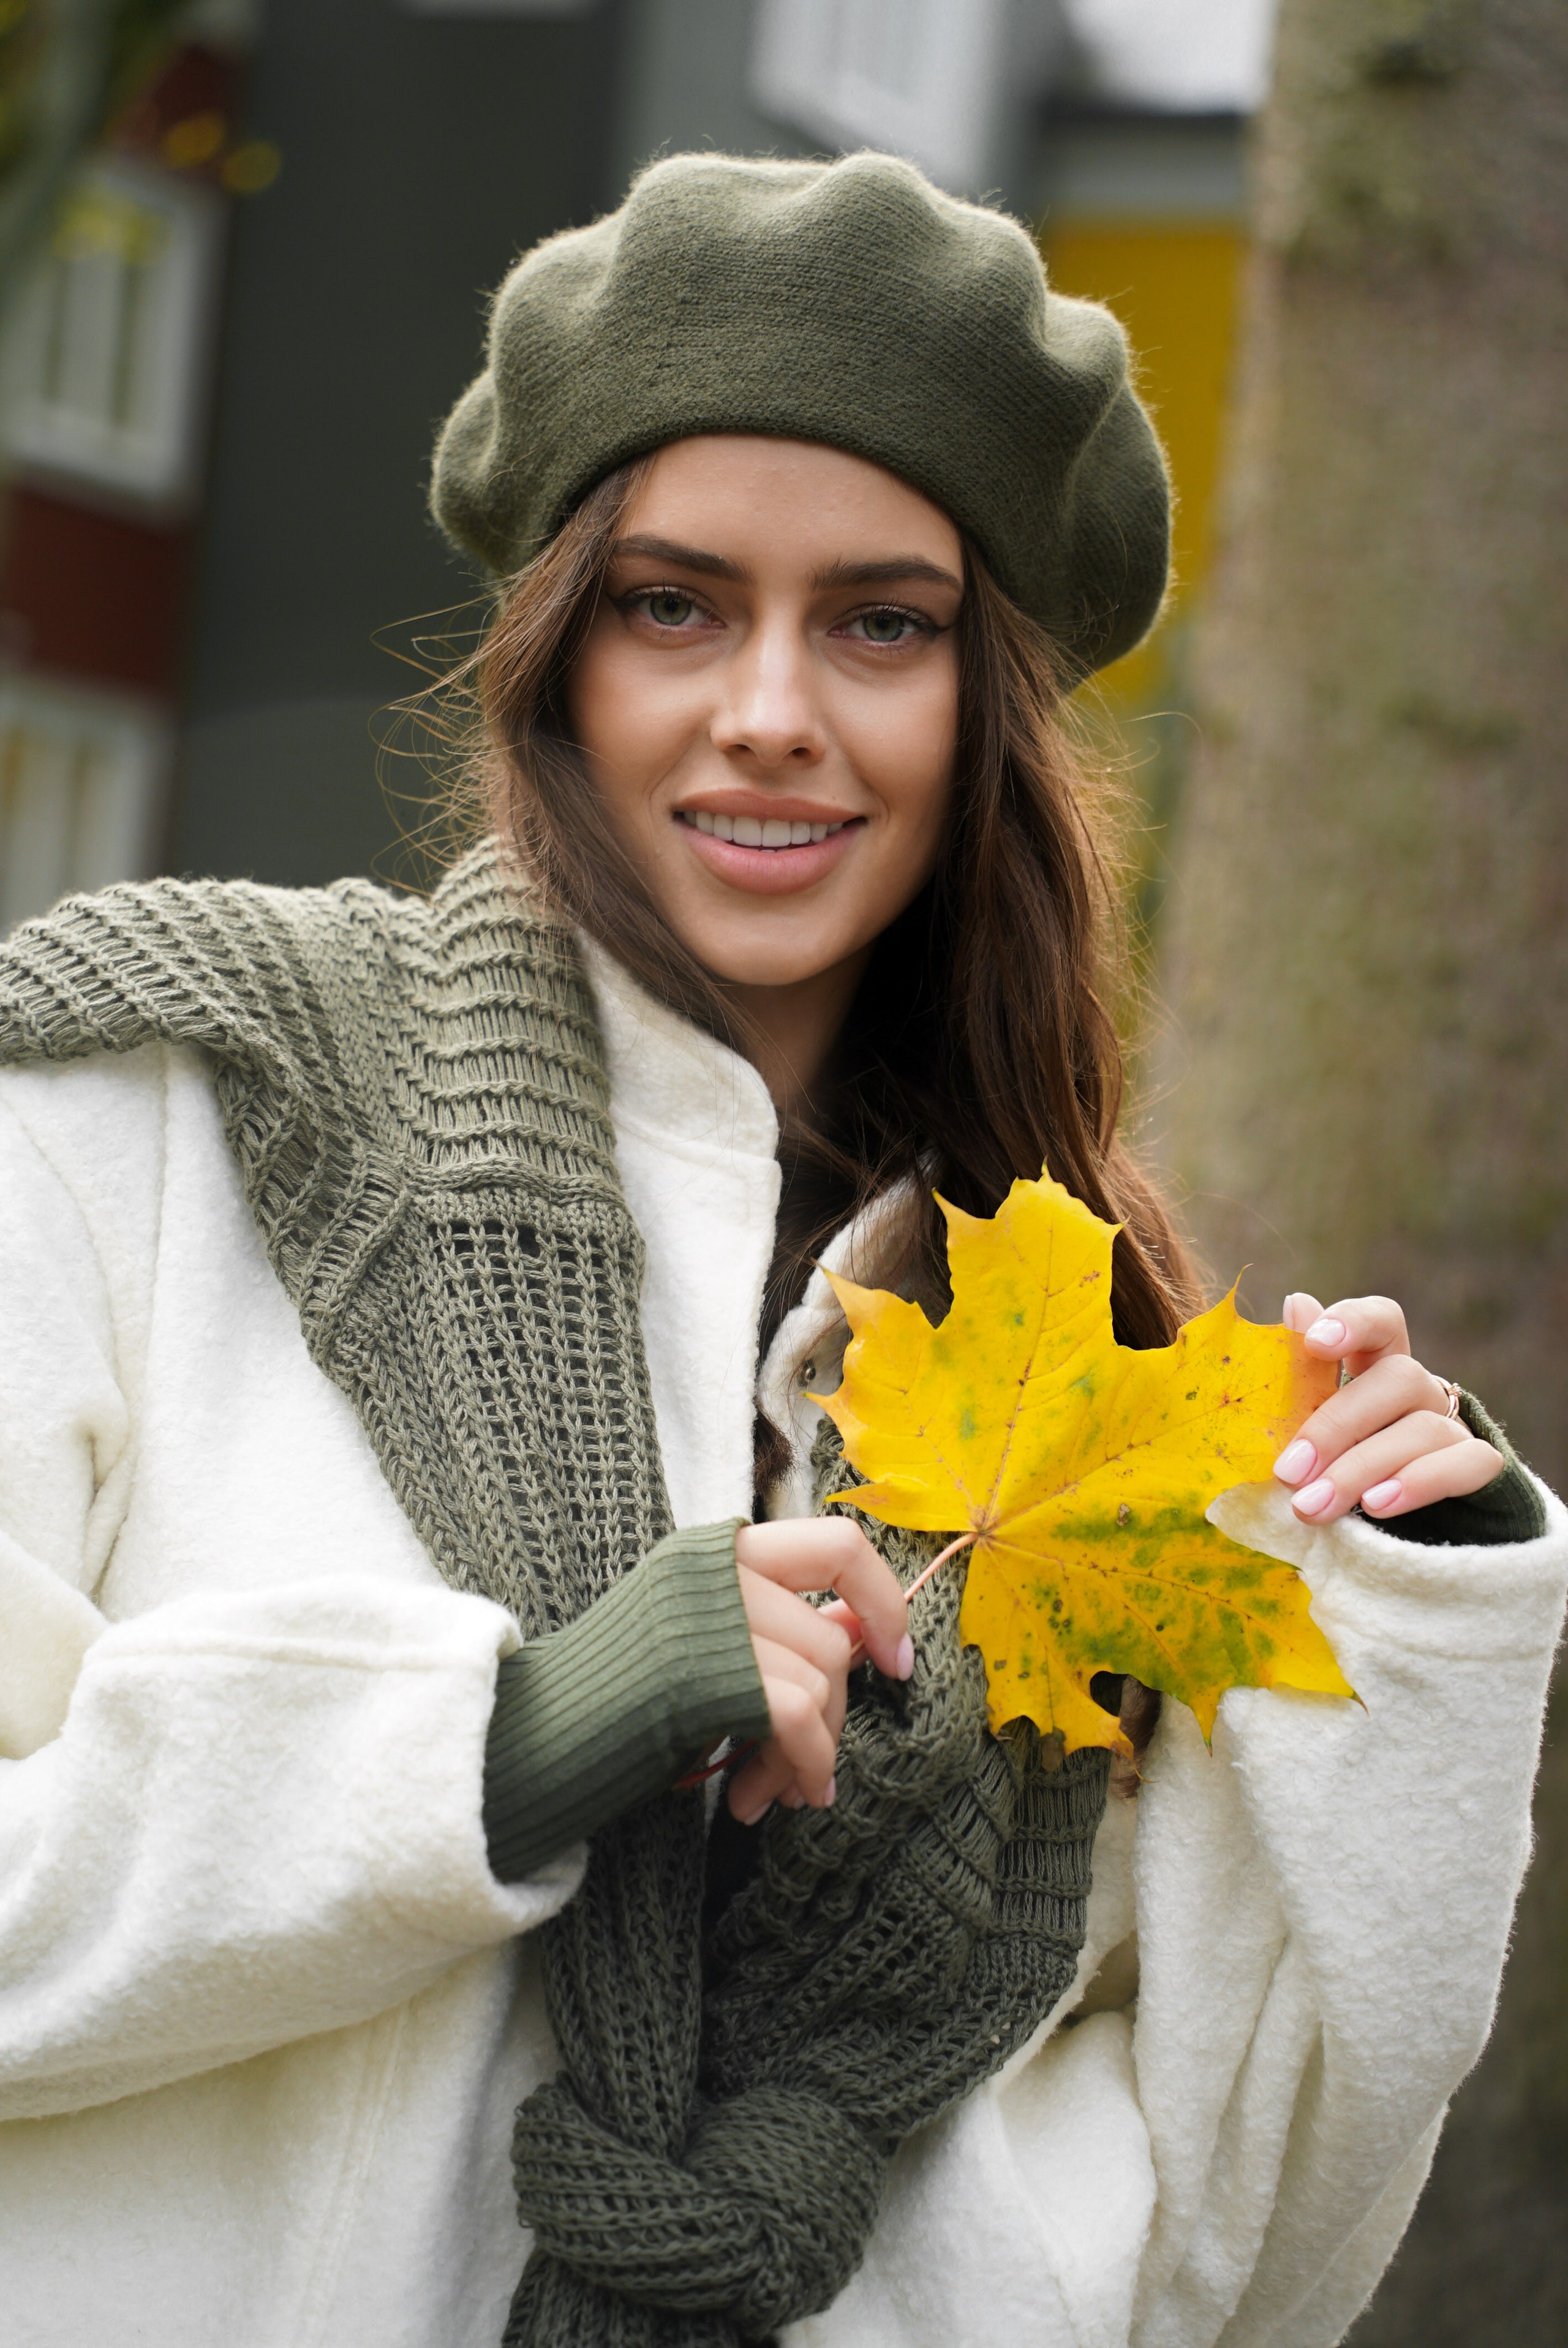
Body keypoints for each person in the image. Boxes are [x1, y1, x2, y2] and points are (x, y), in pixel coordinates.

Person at [0, 152, 1561, 2348]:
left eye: (880, 622)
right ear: (559, 653)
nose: (768, 708)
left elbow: (1237, 2239)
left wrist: (1429, 1586)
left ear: (984, 701)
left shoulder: (1087, 1368)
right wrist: (502, 1742)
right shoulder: (164, 1103)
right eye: (674, 604)